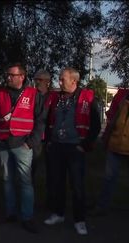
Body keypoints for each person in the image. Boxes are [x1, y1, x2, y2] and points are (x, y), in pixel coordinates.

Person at [43, 67, 101, 235]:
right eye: (59, 79)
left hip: (76, 147)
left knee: (77, 185)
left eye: (62, 79)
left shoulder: (88, 98)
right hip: (57, 146)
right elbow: (48, 121)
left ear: (74, 81)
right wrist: (49, 141)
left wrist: (84, 145)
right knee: (57, 182)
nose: (59, 82)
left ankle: (79, 220)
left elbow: (96, 125)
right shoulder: (56, 98)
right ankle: (58, 213)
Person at [0, 62, 45, 233]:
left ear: (22, 77)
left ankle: (27, 217)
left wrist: (31, 142)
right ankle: (10, 213)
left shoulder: (34, 94)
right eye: (7, 75)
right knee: (7, 180)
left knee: (25, 182)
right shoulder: (0, 94)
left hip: (23, 145)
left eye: (12, 75)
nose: (8, 78)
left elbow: (40, 121)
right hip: (3, 144)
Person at [91, 88, 129, 216]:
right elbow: (111, 118)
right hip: (115, 143)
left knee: (110, 177)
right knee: (109, 178)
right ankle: (102, 206)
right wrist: (106, 137)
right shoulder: (122, 95)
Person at [31, 70, 52, 195]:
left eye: (39, 80)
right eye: (35, 79)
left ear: (47, 82)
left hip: (49, 137)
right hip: (35, 137)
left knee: (51, 169)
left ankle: (50, 197)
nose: (37, 82)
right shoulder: (32, 95)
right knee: (31, 167)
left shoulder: (53, 96)